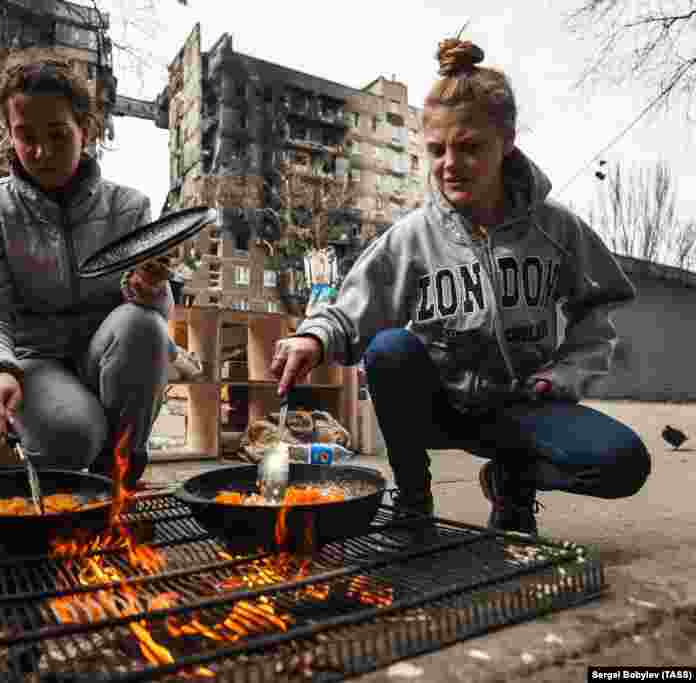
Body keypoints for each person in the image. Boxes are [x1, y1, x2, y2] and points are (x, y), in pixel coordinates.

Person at [270, 38, 651, 534]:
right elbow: (352, 308)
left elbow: (597, 313)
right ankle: (413, 501)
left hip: (523, 408)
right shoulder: (413, 237)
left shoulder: (556, 231)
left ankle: (512, 485)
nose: (450, 163)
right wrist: (313, 338)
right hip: (442, 406)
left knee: (623, 462)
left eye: (469, 146)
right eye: (437, 150)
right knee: (390, 348)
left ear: (507, 140)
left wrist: (566, 374)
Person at [0, 61, 173, 488]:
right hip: (34, 363)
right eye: (26, 136)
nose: (41, 152)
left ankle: (121, 476)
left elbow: (158, 313)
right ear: (10, 133)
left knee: (142, 323)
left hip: (106, 357)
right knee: (74, 434)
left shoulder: (129, 208)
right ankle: (74, 458)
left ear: (85, 130)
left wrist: (150, 289)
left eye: (58, 135)